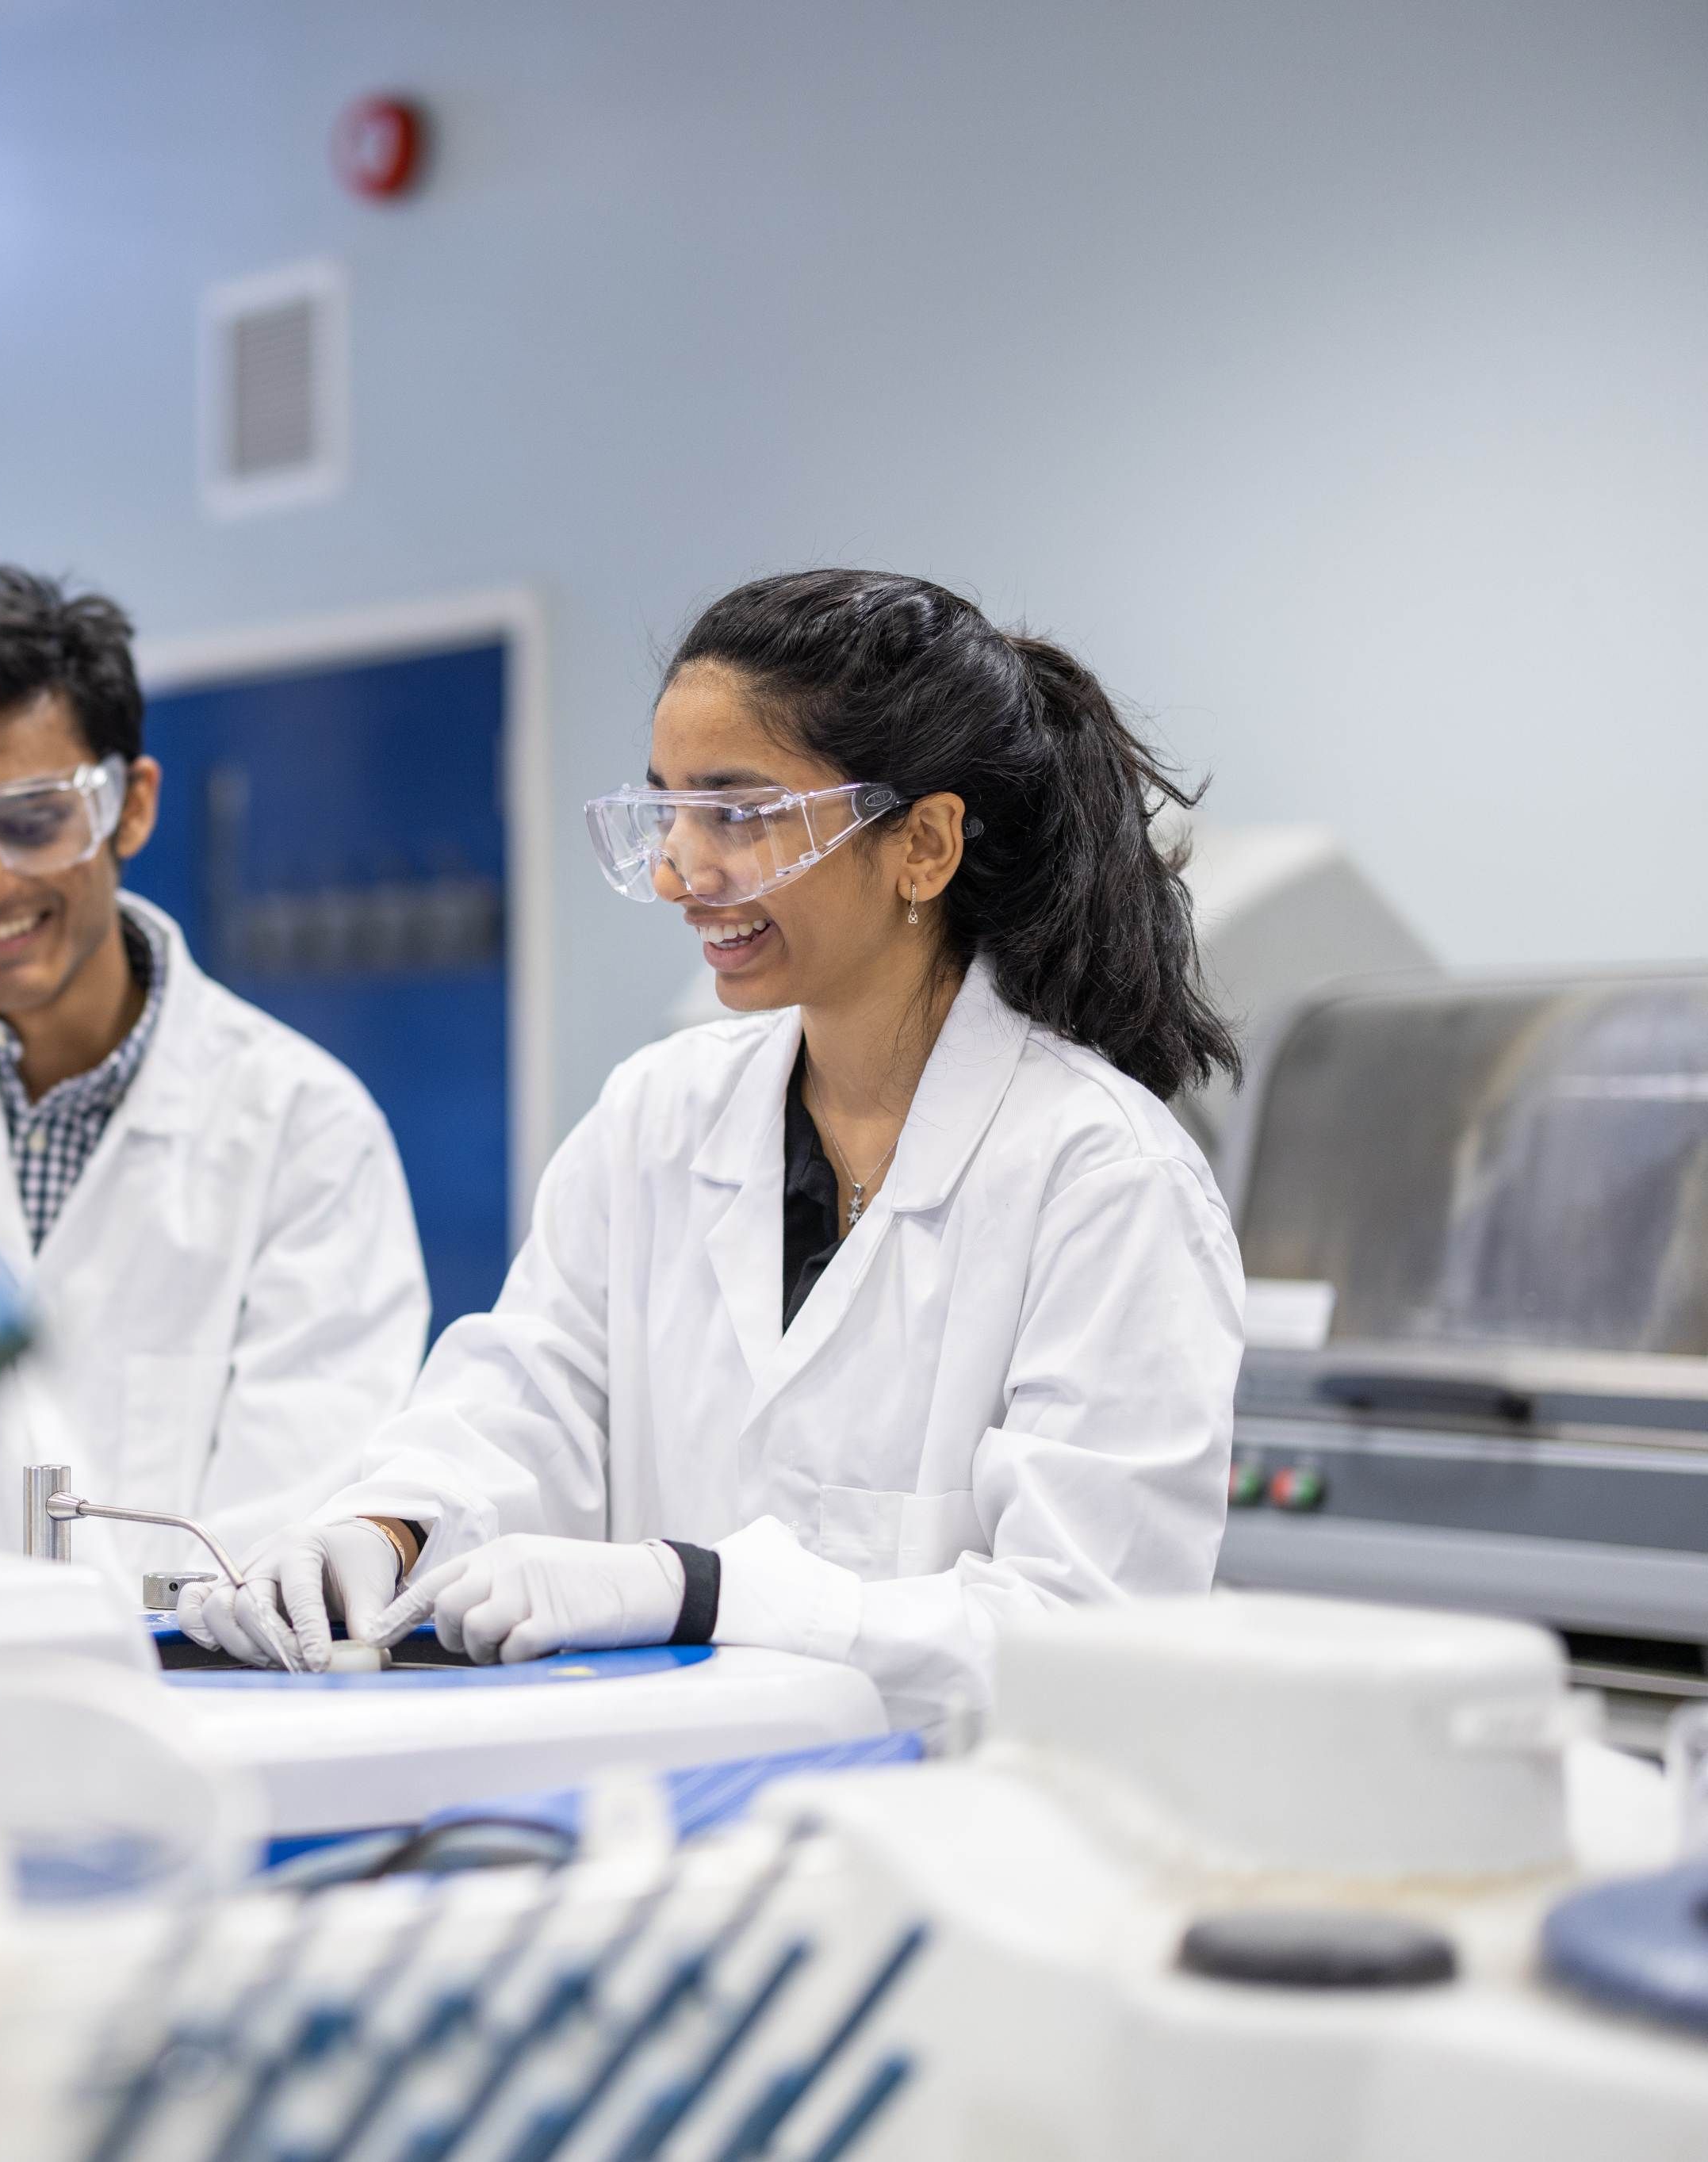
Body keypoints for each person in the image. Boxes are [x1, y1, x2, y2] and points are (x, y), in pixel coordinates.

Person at [182, 570, 1245, 1728]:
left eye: (737, 814)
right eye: (666, 813)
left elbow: (1087, 1631)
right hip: (675, 1816)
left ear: (925, 846)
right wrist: (385, 1529)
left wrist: (702, 1589)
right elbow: (524, 1395)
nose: (682, 870)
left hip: (968, 1854)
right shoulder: (659, 1114)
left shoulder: (1103, 1179)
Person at [0, 567, 431, 1575]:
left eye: (29, 820)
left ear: (129, 808)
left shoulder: (303, 1127)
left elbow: (278, 1531)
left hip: (175, 1709)